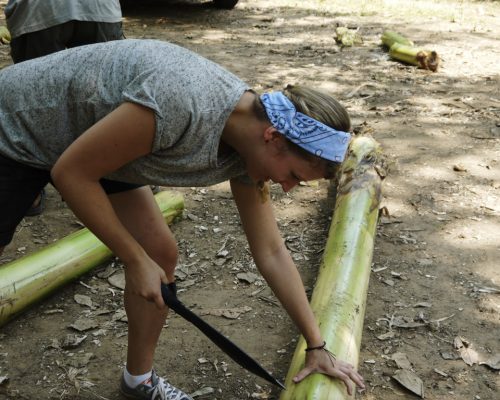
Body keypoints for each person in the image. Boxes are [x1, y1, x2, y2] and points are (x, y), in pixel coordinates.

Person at [0, 39, 365, 400]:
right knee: (143, 257)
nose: (288, 188)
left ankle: (139, 380)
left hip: (91, 134)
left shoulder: (248, 149)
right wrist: (132, 259)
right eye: (295, 176)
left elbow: (270, 250)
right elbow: (72, 174)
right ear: (273, 137)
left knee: (158, 254)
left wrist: (317, 344)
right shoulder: (182, 104)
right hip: (15, 128)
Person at [4, 0, 123, 215]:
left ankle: (31, 193)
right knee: (103, 96)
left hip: (38, 10)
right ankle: (119, 184)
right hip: (98, 8)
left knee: (35, 100)